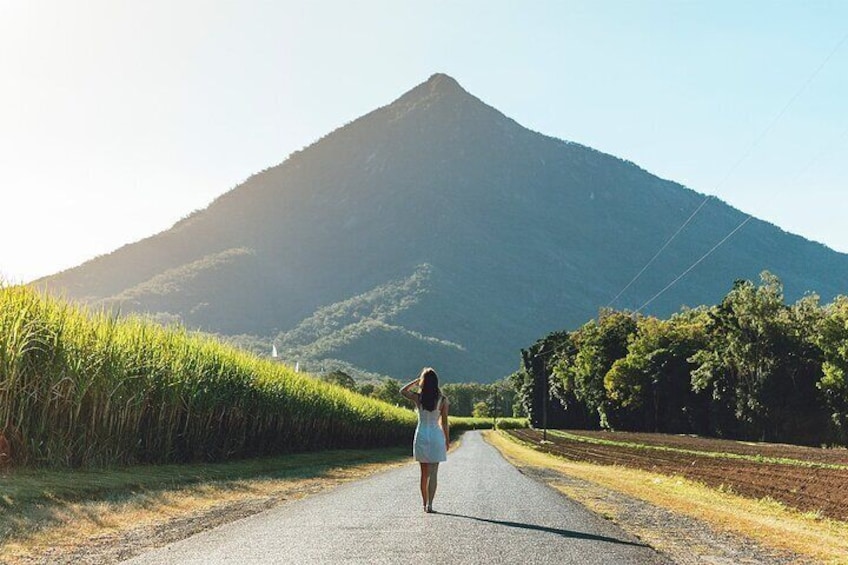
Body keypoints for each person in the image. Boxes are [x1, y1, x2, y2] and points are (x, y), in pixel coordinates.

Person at [400, 367, 450, 513]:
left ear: (423, 382)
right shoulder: (443, 400)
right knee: (434, 472)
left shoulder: (418, 398)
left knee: (424, 473)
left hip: (421, 434)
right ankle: (430, 505)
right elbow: (445, 422)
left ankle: (424, 503)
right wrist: (447, 440)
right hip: (436, 435)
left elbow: (402, 391)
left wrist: (415, 382)